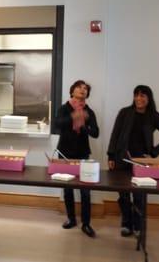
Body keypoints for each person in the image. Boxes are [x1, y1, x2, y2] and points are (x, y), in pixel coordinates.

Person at [107, 85, 159, 237]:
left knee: (139, 196)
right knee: (123, 194)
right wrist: (111, 155)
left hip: (142, 162)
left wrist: (153, 154)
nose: (139, 98)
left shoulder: (154, 116)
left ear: (149, 98)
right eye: (136, 95)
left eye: (143, 95)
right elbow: (115, 134)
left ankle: (137, 225)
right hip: (121, 159)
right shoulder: (125, 113)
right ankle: (126, 223)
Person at [53, 80, 99, 237]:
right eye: (79, 87)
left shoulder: (89, 111)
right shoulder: (64, 108)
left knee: (85, 191)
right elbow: (57, 125)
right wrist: (74, 117)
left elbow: (96, 133)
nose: (83, 90)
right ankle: (71, 219)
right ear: (72, 91)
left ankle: (86, 224)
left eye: (85, 88)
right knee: (68, 189)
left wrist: (84, 124)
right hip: (65, 153)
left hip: (83, 154)